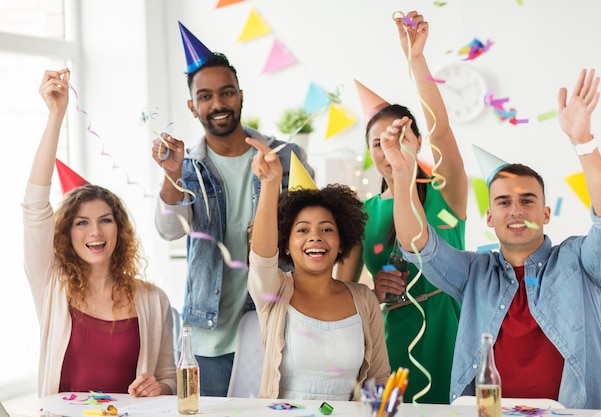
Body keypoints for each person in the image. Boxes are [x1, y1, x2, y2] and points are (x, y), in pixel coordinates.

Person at [384, 68, 601, 416]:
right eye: (503, 202)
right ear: (489, 218)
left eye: (527, 200)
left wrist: (583, 140)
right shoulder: (474, 273)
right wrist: (403, 173)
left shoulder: (581, 262)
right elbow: (418, 244)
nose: (516, 210)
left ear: (544, 213)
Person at [152, 23, 314, 396]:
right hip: (207, 333)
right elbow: (170, 231)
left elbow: (311, 234)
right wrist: (172, 174)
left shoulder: (285, 157)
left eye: (226, 93)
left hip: (274, 325)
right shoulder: (186, 165)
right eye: (205, 96)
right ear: (192, 107)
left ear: (241, 96)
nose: (218, 104)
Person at [337, 11, 466, 404]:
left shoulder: (447, 193)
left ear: (417, 141)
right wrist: (372, 293)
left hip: (450, 333)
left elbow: (442, 129)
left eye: (398, 135)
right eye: (377, 142)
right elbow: (341, 291)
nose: (387, 147)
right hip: (389, 343)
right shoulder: (362, 213)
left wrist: (416, 61)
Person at [23, 68, 176, 397]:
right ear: (66, 232)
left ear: (120, 229)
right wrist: (56, 116)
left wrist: (158, 386)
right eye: (82, 222)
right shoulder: (52, 285)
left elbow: (169, 378)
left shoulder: (153, 300)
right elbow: (35, 207)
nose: (96, 231)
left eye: (106, 220)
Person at [245, 136, 390, 400]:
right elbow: (262, 257)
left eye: (327, 229)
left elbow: (379, 378)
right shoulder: (274, 291)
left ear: (341, 242)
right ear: (286, 245)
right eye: (302, 230)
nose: (315, 237)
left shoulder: (365, 300)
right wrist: (270, 183)